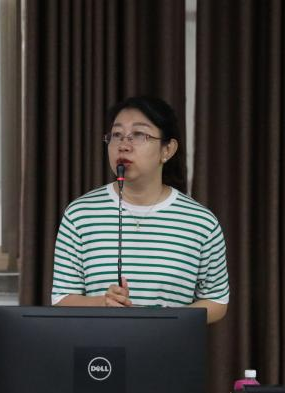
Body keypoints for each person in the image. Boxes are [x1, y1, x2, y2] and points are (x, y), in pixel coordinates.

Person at [51, 95, 229, 323]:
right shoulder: (80, 215)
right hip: (99, 346)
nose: (123, 145)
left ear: (167, 149)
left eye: (138, 135)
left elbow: (217, 300)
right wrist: (103, 303)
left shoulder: (201, 222)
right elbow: (61, 298)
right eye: (116, 135)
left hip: (168, 344)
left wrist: (169, 320)